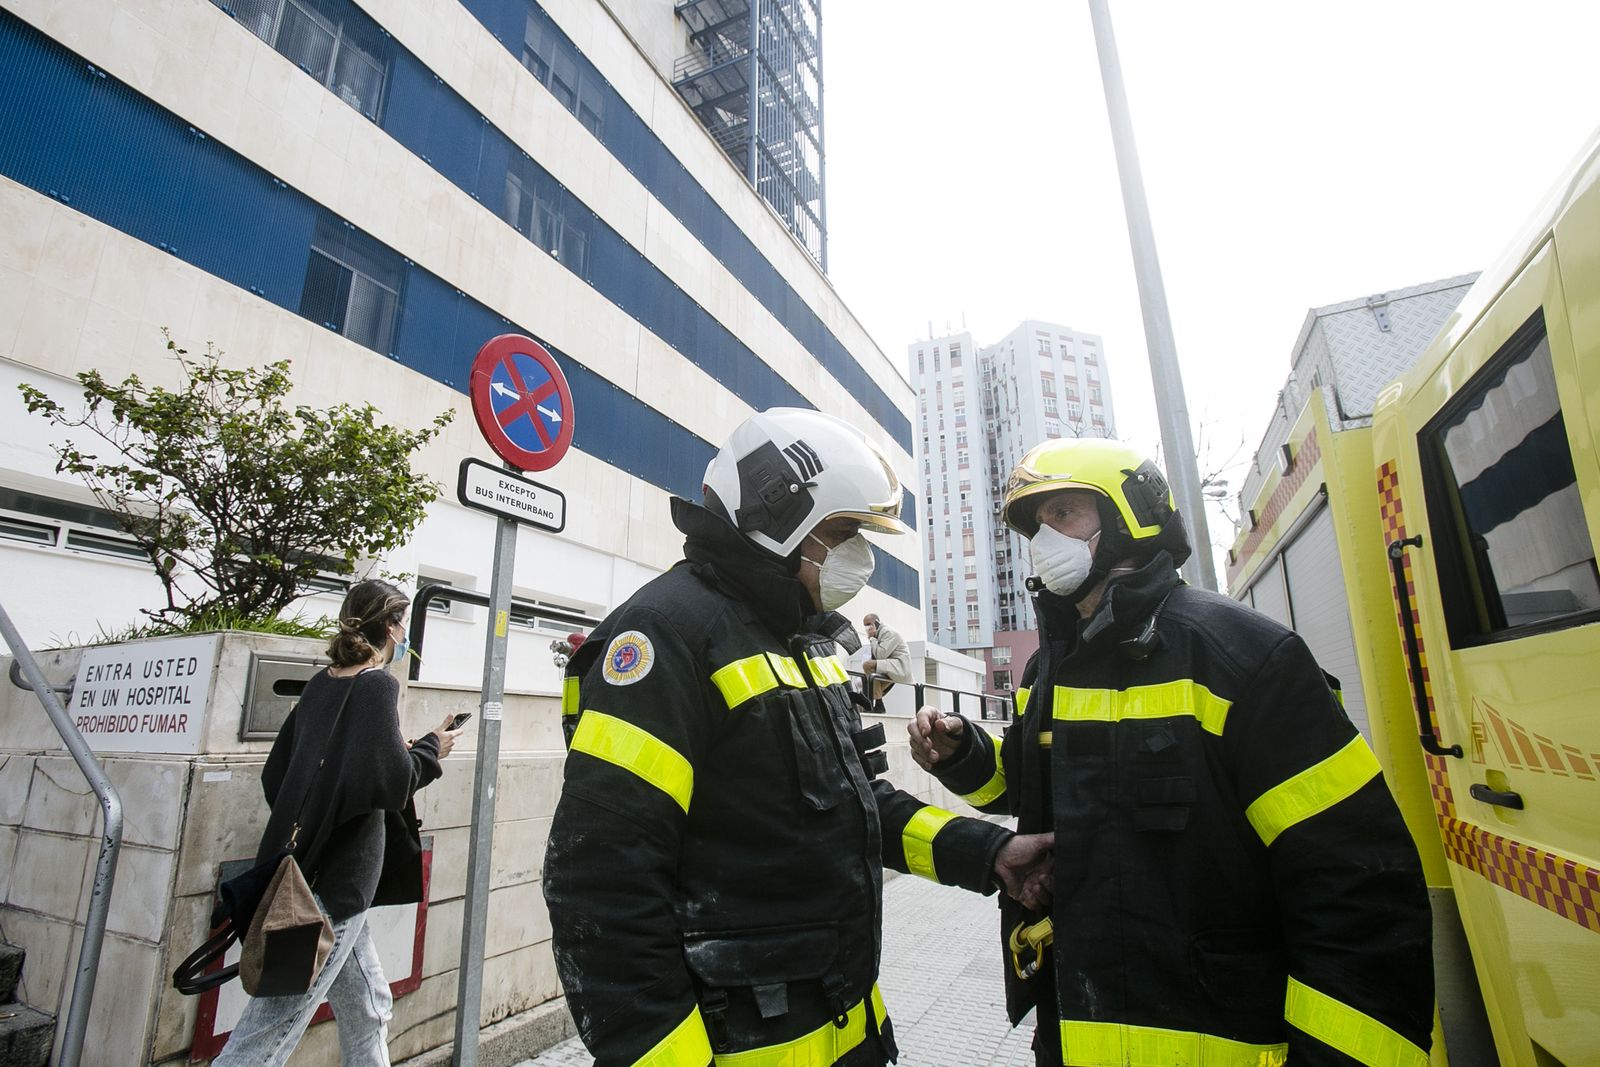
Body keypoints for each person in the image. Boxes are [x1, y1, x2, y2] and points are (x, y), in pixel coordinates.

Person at [544, 407, 1052, 1067]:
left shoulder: (805, 644)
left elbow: (856, 808)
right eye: (842, 533)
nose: (858, 558)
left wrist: (991, 853)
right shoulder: (666, 635)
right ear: (776, 517)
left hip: (851, 1032)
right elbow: (601, 882)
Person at [908, 438, 1434, 1067]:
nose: (1045, 540)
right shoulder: (1047, 672)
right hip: (1070, 1037)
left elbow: (1357, 890)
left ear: (1133, 516)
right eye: (1037, 525)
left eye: (1065, 514)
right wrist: (964, 755)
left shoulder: (1245, 657)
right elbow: (1026, 799)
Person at [214, 579, 463, 1067]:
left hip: (305, 870)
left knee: (369, 1007)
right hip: (336, 883)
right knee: (267, 1034)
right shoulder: (375, 685)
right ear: (391, 627)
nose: (405, 635)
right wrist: (432, 749)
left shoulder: (323, 683)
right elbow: (391, 782)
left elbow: (278, 776)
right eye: (403, 624)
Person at [860, 613, 911, 712]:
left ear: (876, 623)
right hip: (890, 667)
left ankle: (879, 705)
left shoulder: (887, 632)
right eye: (865, 625)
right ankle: (870, 707)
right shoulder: (878, 634)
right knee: (868, 684)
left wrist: (871, 638)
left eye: (869, 624)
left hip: (899, 666)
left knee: (867, 666)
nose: (867, 627)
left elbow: (880, 655)